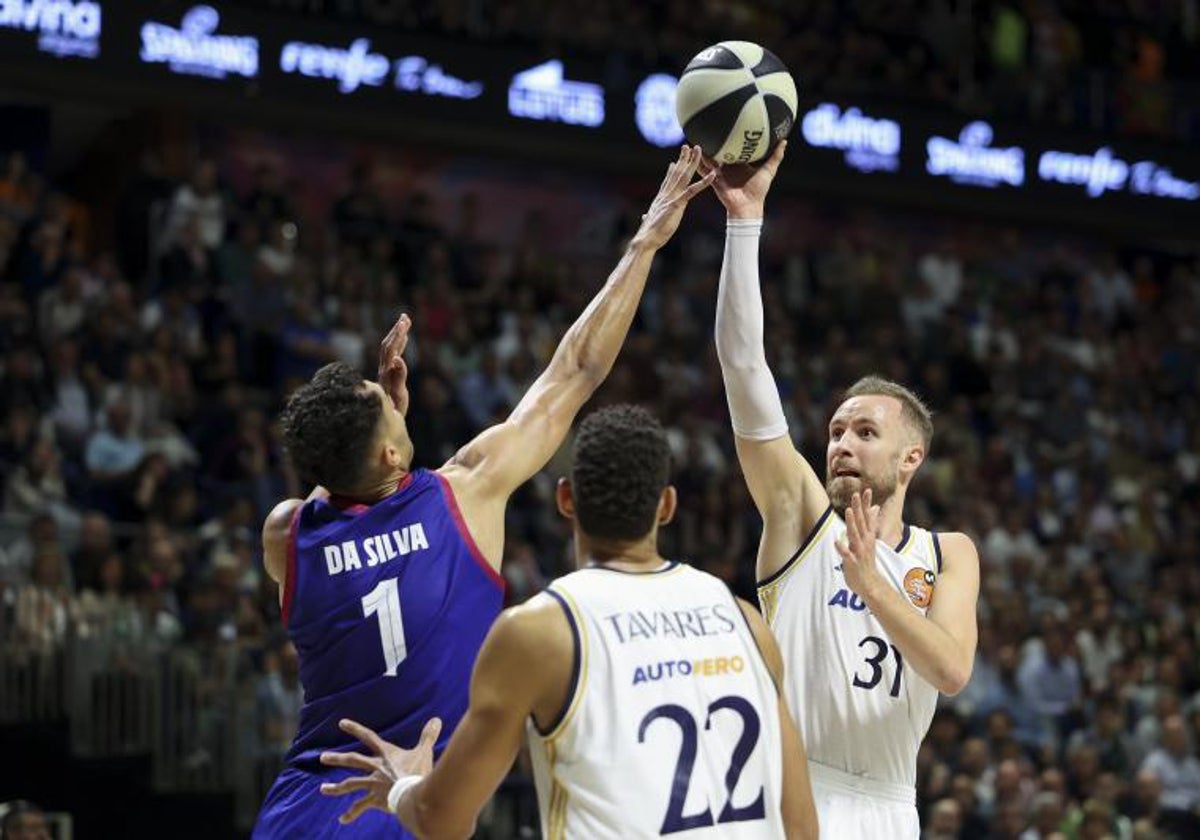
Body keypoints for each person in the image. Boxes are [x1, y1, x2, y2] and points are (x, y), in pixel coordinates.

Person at [251, 146, 716, 839]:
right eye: (385, 404)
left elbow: (339, 488)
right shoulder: (464, 493)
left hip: (301, 808)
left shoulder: (285, 534)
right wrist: (645, 241)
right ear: (385, 448)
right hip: (404, 802)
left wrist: (379, 432)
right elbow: (576, 372)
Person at [318, 405, 819, 839]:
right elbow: (801, 828)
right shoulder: (744, 621)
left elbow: (444, 819)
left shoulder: (539, 632)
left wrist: (404, 784)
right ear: (666, 506)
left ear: (565, 500)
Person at [703, 142, 981, 837]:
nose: (841, 444)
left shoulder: (950, 554)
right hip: (793, 788)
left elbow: (950, 670)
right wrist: (745, 223)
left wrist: (874, 587)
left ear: (911, 457)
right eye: (834, 431)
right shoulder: (802, 519)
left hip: (891, 804)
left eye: (863, 432)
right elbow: (744, 371)